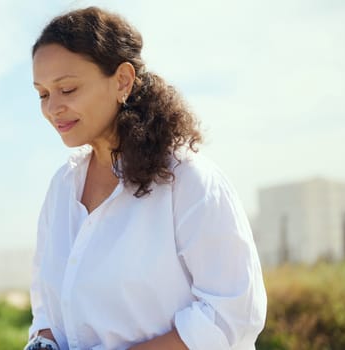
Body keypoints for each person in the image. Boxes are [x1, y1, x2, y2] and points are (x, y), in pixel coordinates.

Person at [25, 6, 267, 350]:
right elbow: (46, 306)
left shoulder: (188, 180)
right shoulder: (61, 187)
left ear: (122, 80)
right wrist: (43, 342)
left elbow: (230, 317)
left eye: (67, 89)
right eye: (43, 94)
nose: (52, 109)